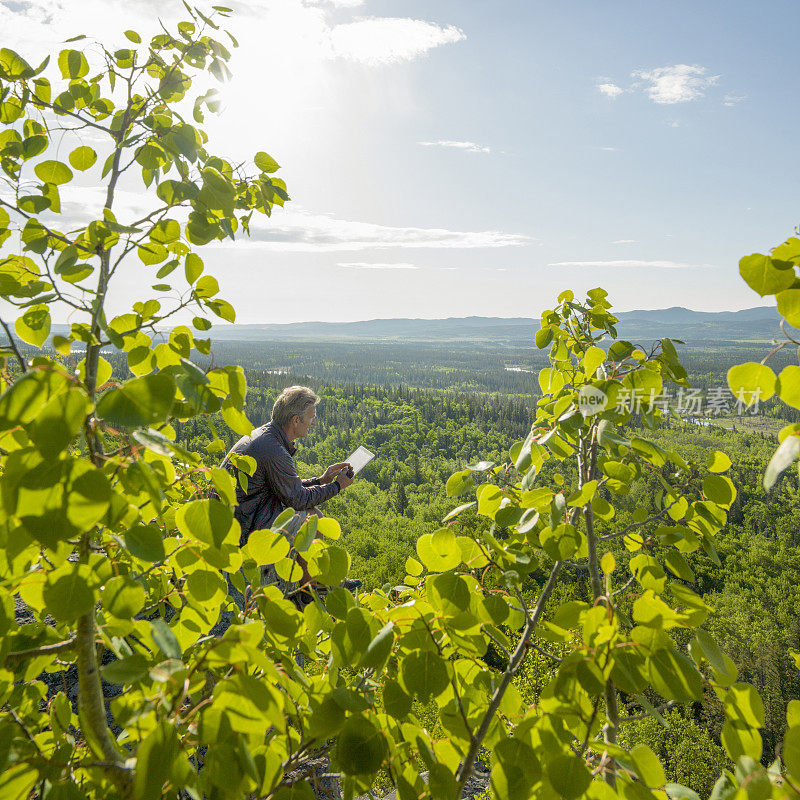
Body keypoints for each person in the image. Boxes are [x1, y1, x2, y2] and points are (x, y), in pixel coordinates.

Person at [224, 385, 354, 544]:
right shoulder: (274, 450)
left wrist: (321, 480)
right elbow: (297, 499)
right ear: (296, 420)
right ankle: (302, 568)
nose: (313, 423)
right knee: (314, 521)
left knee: (312, 514)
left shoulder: (264, 437)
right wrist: (337, 486)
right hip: (245, 525)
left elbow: (287, 487)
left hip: (240, 514)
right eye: (311, 417)